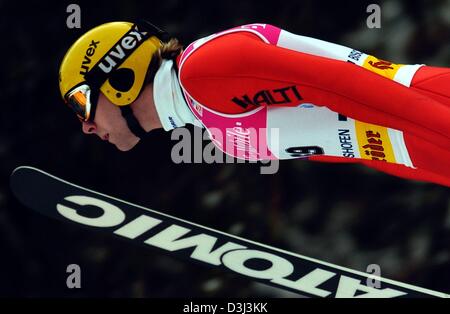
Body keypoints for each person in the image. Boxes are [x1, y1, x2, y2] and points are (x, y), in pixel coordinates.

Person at [59, 21, 450, 187]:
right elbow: (356, 147)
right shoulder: (213, 127)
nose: (86, 126)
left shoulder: (204, 70)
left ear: (119, 79)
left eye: (80, 103)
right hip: (424, 145)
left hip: (431, 107)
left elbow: (344, 86)